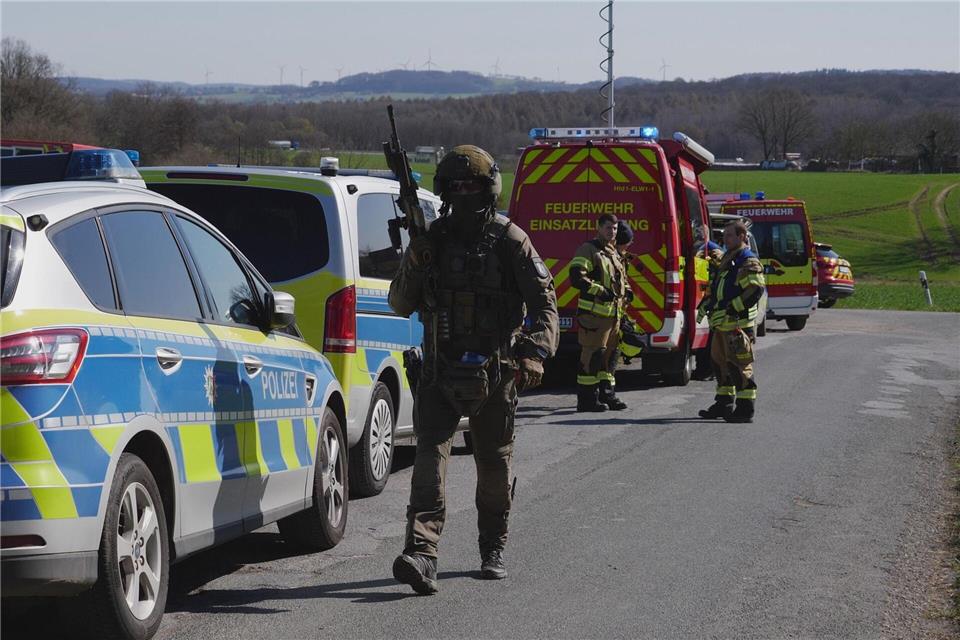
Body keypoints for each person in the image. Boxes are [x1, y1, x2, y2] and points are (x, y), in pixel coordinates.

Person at [388, 145, 559, 594]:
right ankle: (422, 555)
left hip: (497, 372)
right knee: (429, 462)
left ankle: (492, 546)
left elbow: (545, 303)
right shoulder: (433, 240)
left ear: (489, 189)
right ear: (445, 191)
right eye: (456, 186)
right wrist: (415, 259)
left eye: (472, 186)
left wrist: (534, 353)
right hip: (438, 372)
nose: (464, 195)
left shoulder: (510, 240)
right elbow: (399, 303)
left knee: (494, 466)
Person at [697, 221, 765, 423]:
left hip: (737, 325)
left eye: (729, 235)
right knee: (719, 364)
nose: (725, 239)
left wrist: (731, 308)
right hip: (721, 324)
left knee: (739, 365)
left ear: (742, 236)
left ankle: (745, 408)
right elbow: (721, 287)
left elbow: (754, 290)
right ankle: (724, 403)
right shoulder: (729, 258)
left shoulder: (747, 260)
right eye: (724, 235)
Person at [569, 213, 628, 412]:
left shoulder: (612, 252)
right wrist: (599, 291)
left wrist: (626, 290)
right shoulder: (589, 249)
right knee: (592, 356)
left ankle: (607, 394)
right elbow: (576, 276)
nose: (612, 232)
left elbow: (617, 279)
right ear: (599, 228)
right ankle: (586, 399)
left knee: (610, 357)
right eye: (608, 228)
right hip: (594, 317)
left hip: (613, 317)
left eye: (615, 228)